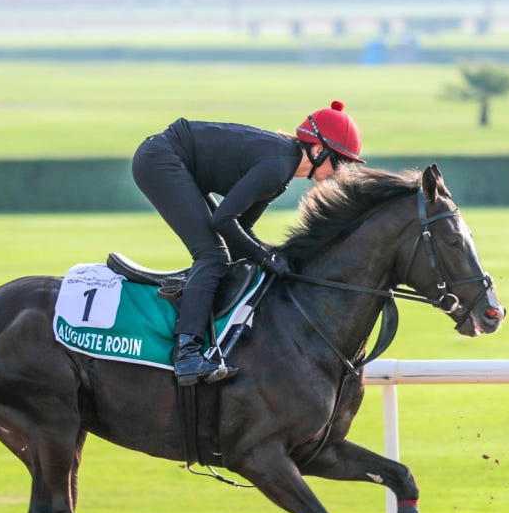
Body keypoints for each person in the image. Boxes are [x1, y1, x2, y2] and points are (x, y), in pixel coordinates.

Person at [131, 100, 365, 386]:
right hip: (160, 159)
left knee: (223, 252)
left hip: (175, 158)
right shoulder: (277, 166)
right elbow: (223, 221)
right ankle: (187, 354)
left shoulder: (283, 173)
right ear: (317, 149)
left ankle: (200, 329)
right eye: (339, 161)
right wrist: (267, 258)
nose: (341, 171)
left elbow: (240, 229)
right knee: (213, 255)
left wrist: (275, 256)